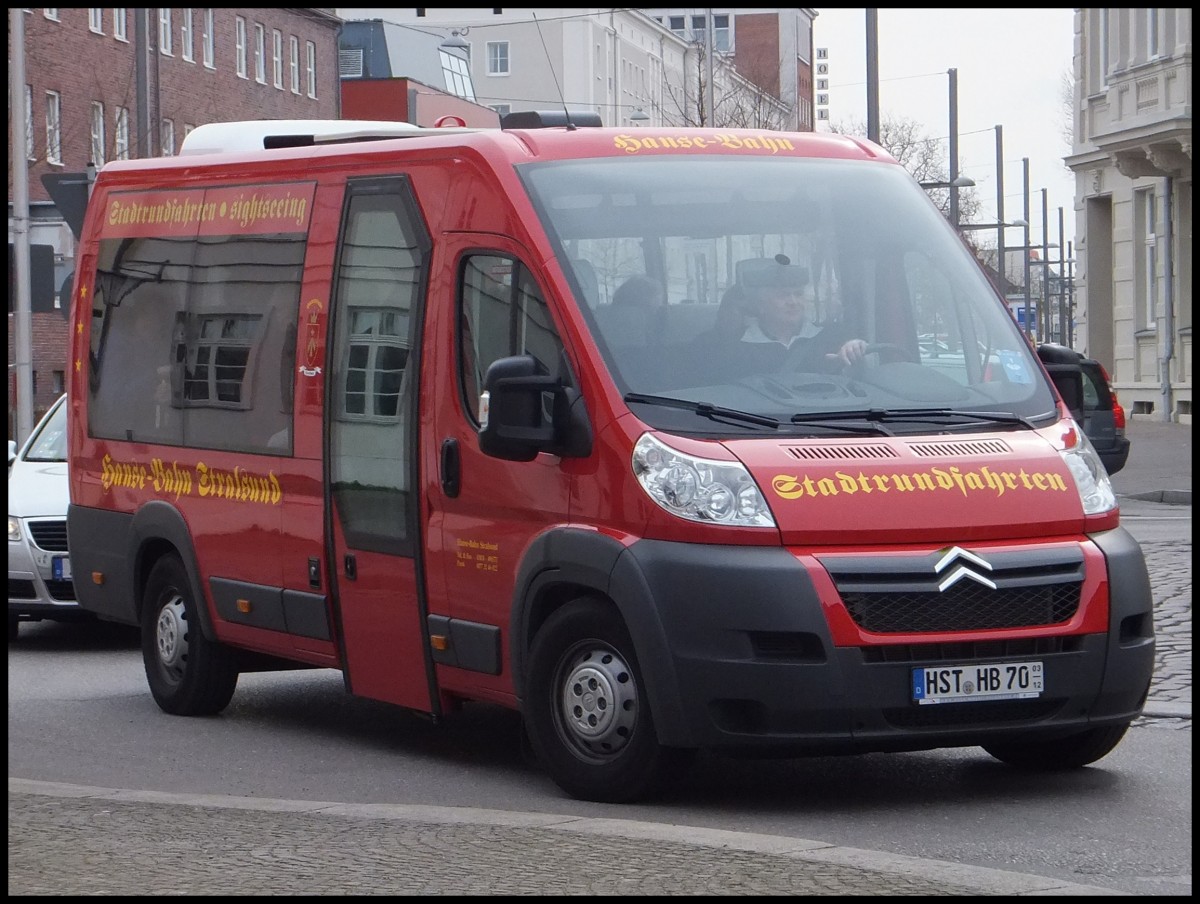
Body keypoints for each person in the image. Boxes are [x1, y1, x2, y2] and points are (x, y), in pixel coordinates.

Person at [721, 258, 867, 378]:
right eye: (783, 295)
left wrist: (855, 348)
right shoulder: (732, 347)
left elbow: (862, 378)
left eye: (798, 294)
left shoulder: (834, 336)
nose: (793, 302)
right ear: (761, 305)